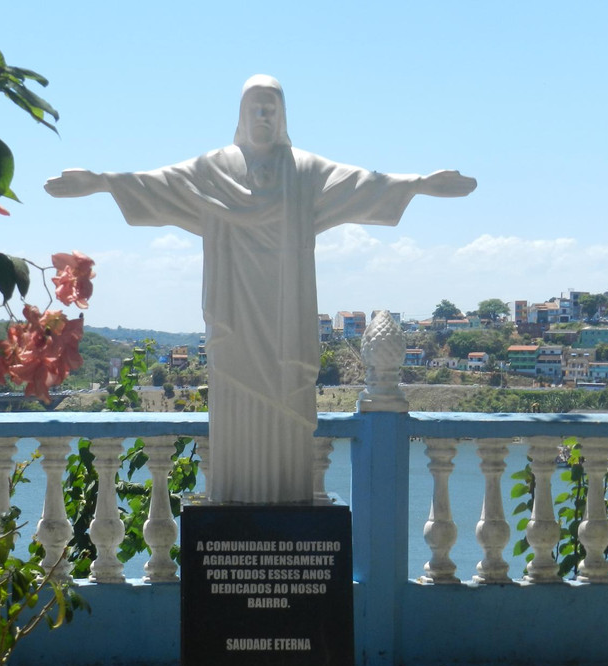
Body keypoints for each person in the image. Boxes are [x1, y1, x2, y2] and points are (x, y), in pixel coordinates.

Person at [46, 75, 476, 504]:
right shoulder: (213, 170)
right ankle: (233, 495)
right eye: (255, 106)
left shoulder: (304, 171)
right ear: (240, 114)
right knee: (234, 404)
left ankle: (288, 495)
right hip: (233, 313)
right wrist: (101, 181)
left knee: (287, 404)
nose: (263, 115)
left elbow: (365, 183)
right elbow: (157, 184)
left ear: (283, 115)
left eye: (271, 106)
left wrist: (418, 184)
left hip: (286, 316)